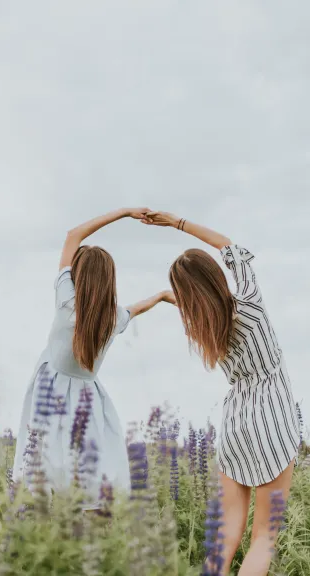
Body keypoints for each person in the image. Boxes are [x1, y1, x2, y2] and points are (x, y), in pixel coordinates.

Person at [141, 211, 300, 575]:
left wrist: (169, 295)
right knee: (265, 537)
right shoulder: (250, 305)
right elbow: (230, 247)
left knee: (225, 536)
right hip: (271, 419)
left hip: (235, 424)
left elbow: (193, 301)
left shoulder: (203, 325)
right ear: (215, 276)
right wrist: (176, 223)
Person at [13, 207, 176, 507]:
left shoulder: (65, 304)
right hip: (88, 399)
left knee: (42, 468)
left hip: (49, 393)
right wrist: (163, 296)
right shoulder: (112, 319)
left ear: (77, 277)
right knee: (84, 476)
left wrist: (125, 212)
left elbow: (72, 235)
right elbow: (138, 308)